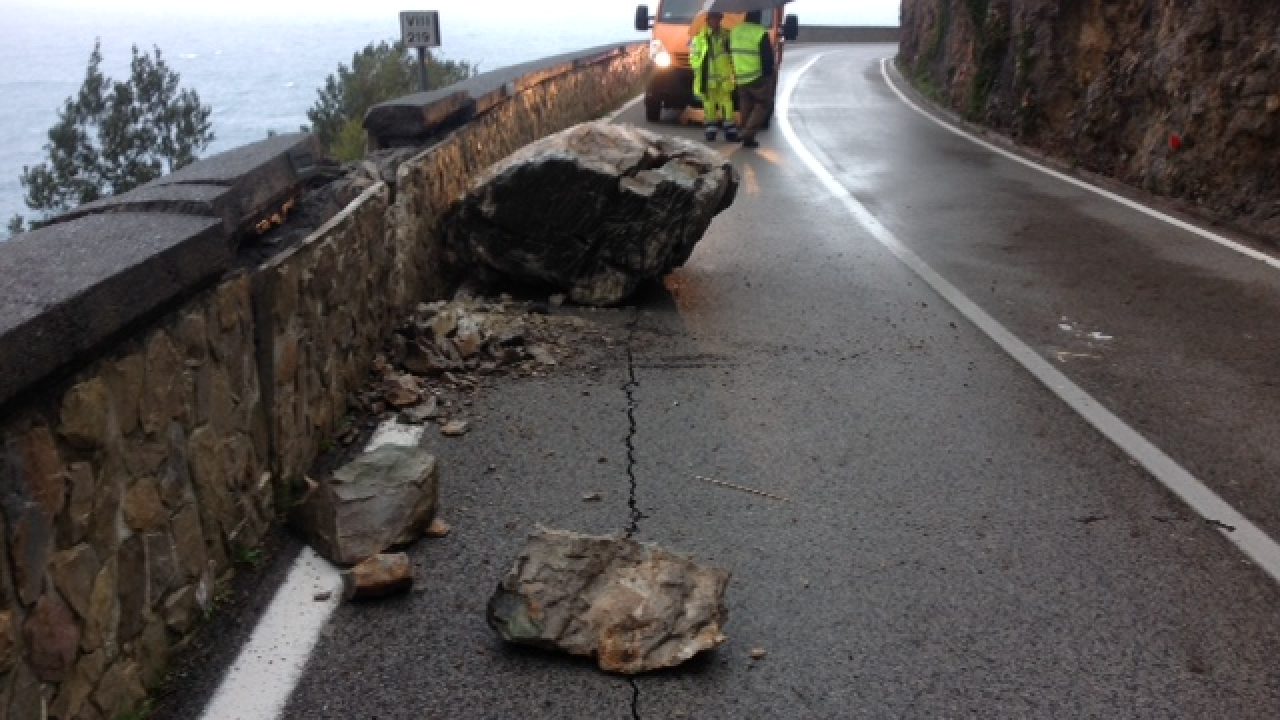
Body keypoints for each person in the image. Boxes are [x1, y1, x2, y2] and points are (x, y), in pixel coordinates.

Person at [728, 10, 776, 149]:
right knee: (762, 105)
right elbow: (767, 57)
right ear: (759, 17)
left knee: (745, 107)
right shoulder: (760, 32)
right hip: (757, 76)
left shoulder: (735, 31)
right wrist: (768, 74)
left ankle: (748, 139)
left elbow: (729, 50)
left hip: (740, 76)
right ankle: (747, 134)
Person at [690, 12, 738, 142]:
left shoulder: (727, 36)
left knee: (727, 104)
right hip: (708, 78)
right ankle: (711, 129)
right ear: (708, 20)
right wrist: (700, 67)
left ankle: (730, 130)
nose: (716, 21)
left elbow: (732, 54)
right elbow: (693, 58)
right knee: (709, 104)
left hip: (724, 77)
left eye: (718, 18)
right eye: (713, 19)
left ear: (721, 19)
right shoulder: (699, 38)